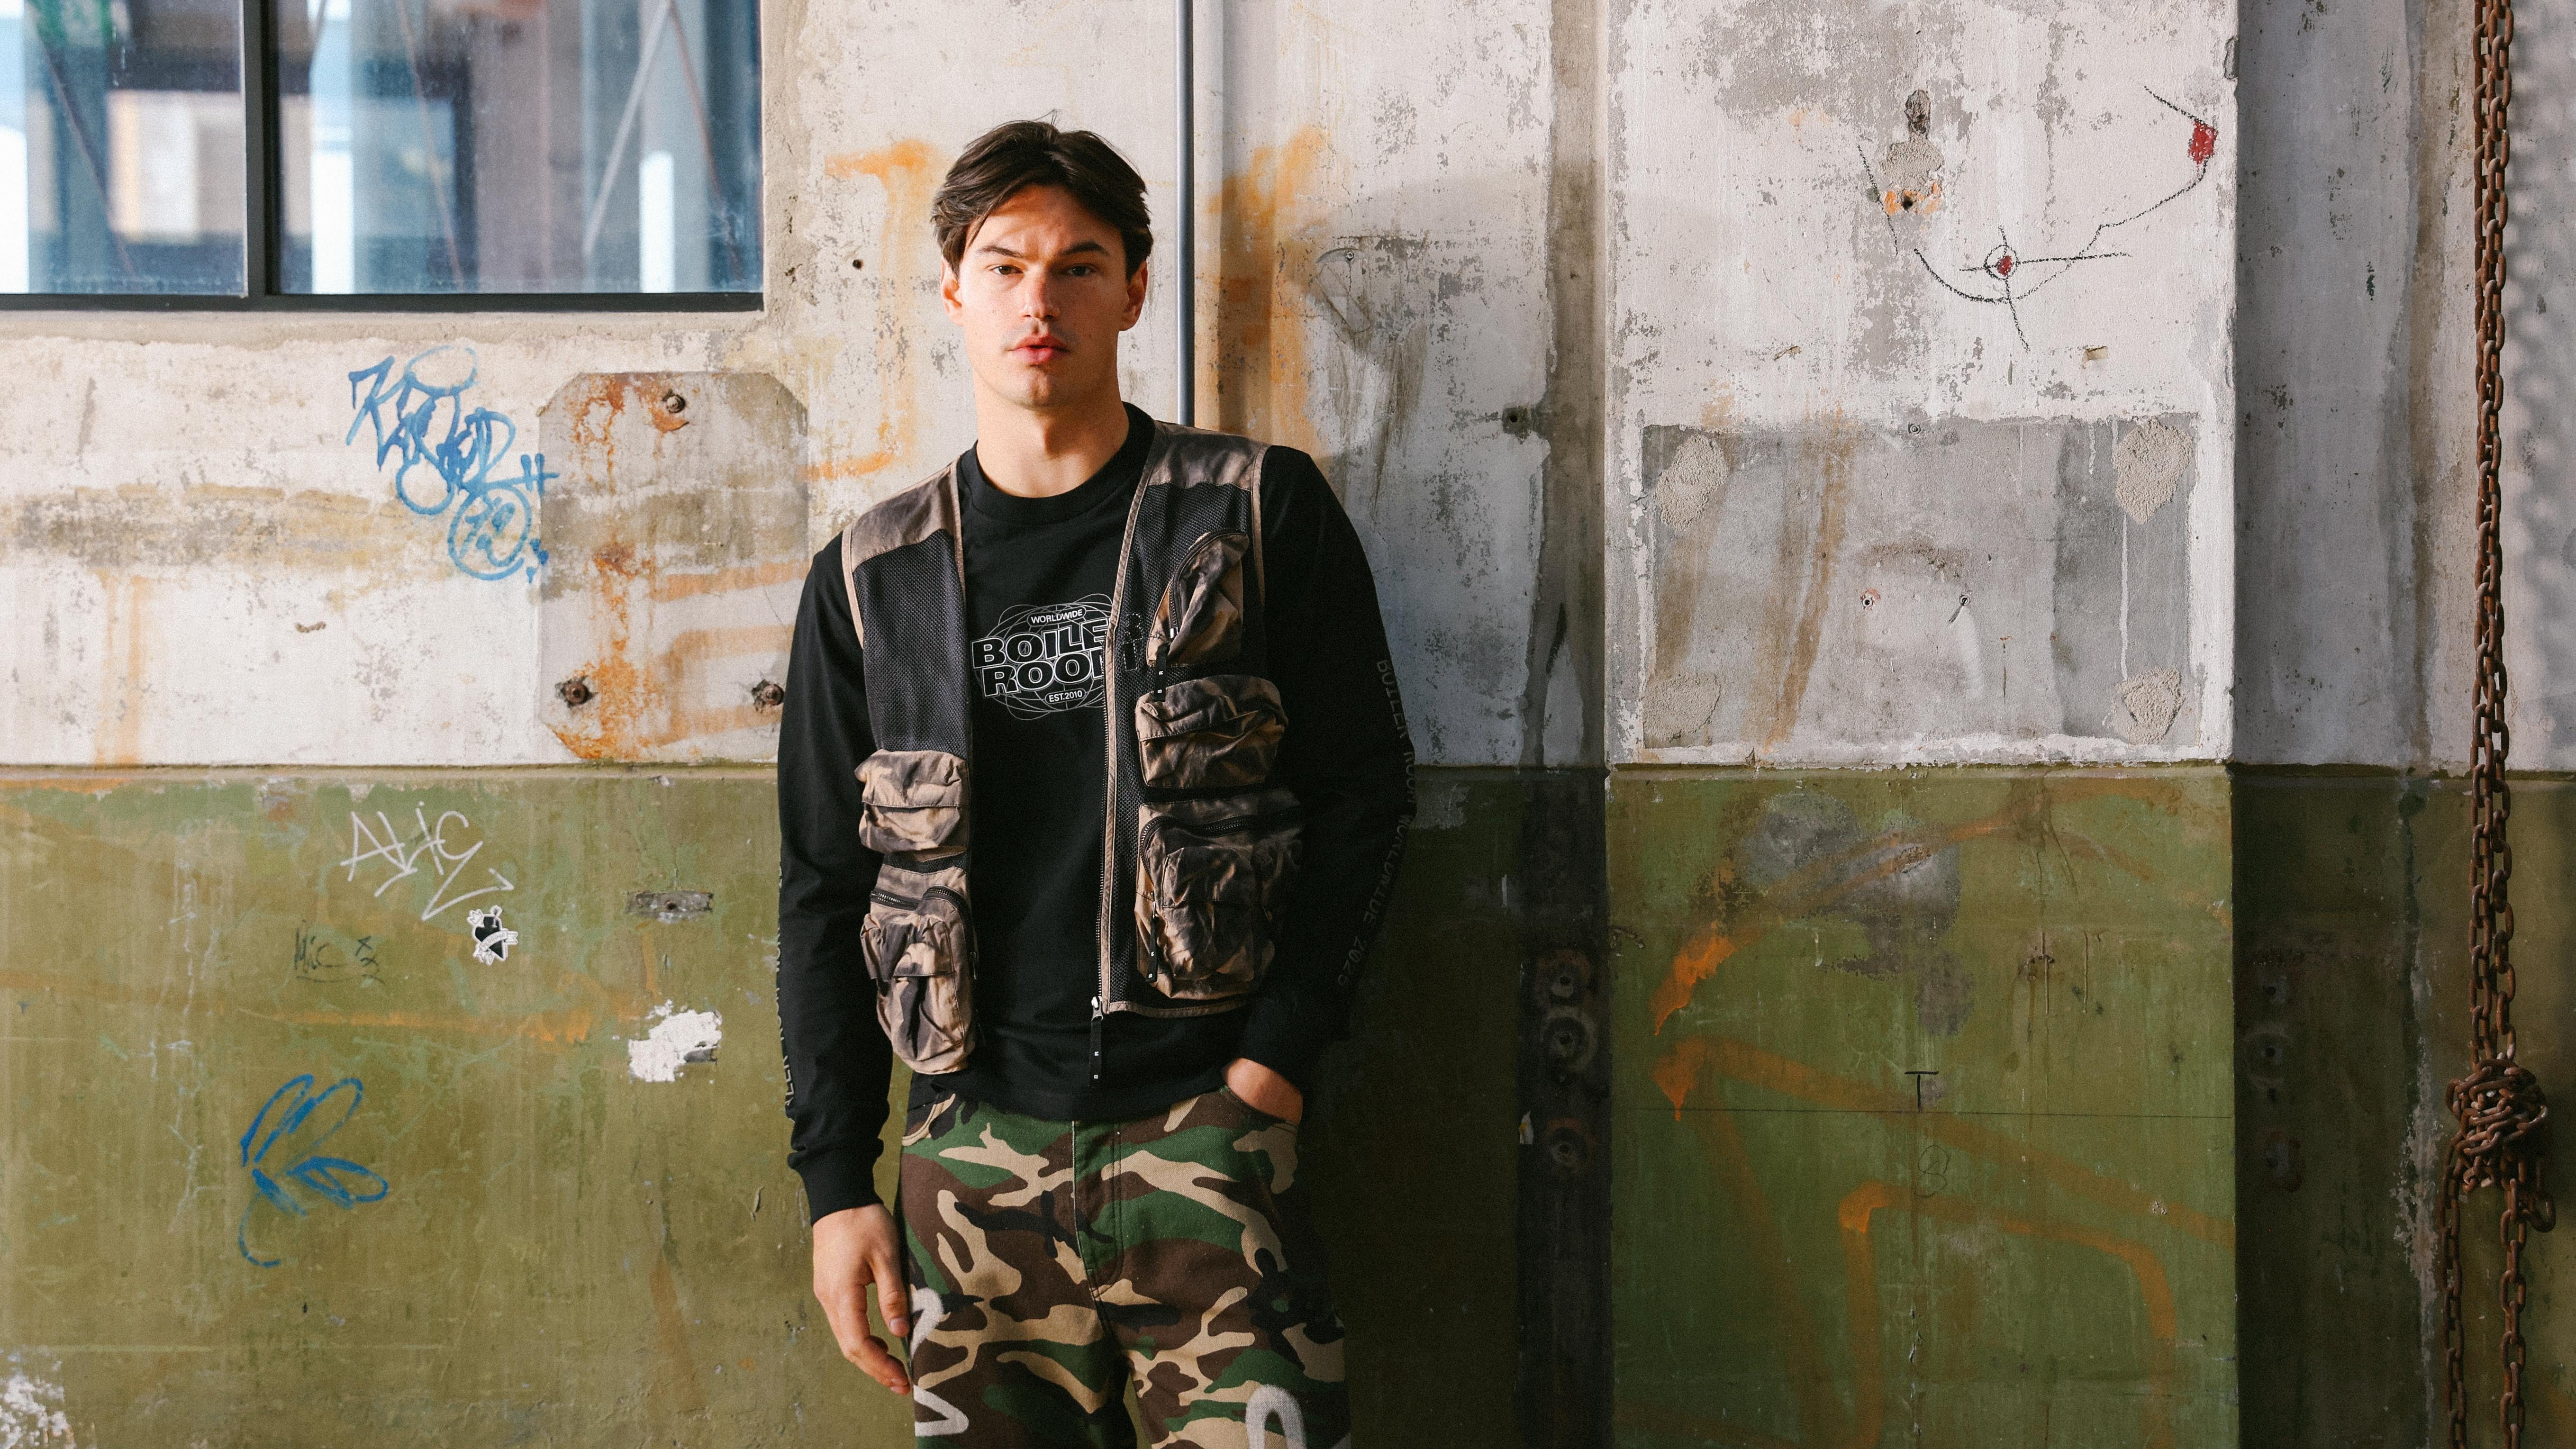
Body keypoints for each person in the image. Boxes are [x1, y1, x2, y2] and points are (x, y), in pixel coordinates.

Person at [775, 118, 1415, 1447]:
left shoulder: (1250, 512)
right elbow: (823, 888)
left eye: (1078, 264)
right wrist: (840, 1183)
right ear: (953, 288)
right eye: (1003, 264)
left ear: (1133, 288)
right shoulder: (869, 576)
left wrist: (1272, 1066)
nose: (1037, 299)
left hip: (1209, 1133)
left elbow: (1365, 797)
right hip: (968, 1152)